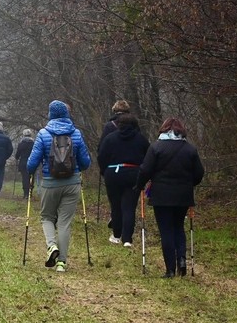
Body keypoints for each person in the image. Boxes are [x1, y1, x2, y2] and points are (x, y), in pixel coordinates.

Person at [135, 118, 204, 278]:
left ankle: (170, 269)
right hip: (183, 196)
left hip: (161, 196)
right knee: (178, 227)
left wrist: (139, 185)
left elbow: (145, 170)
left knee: (166, 230)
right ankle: (182, 261)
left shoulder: (156, 147)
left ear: (164, 130)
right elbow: (199, 174)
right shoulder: (190, 149)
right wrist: (189, 183)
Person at [27, 100, 91, 272]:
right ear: (67, 114)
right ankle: (62, 262)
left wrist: (33, 171)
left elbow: (31, 164)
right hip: (72, 183)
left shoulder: (43, 133)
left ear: (50, 114)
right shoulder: (76, 133)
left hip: (49, 183)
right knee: (64, 223)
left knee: (47, 217)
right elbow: (86, 163)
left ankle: (51, 246)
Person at [97, 114, 149, 247]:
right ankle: (127, 239)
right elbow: (148, 158)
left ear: (119, 125)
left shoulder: (110, 138)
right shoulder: (141, 139)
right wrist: (144, 174)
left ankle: (116, 235)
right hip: (133, 174)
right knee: (129, 207)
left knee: (116, 206)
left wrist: (104, 171)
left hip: (113, 173)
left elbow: (101, 156)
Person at [15, 129, 35, 199]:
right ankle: (30, 192)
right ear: (31, 135)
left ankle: (25, 194)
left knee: (24, 178)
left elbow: (17, 154)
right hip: (32, 162)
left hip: (23, 162)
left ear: (23, 135)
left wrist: (17, 157)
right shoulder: (33, 143)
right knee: (31, 177)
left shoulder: (21, 143)